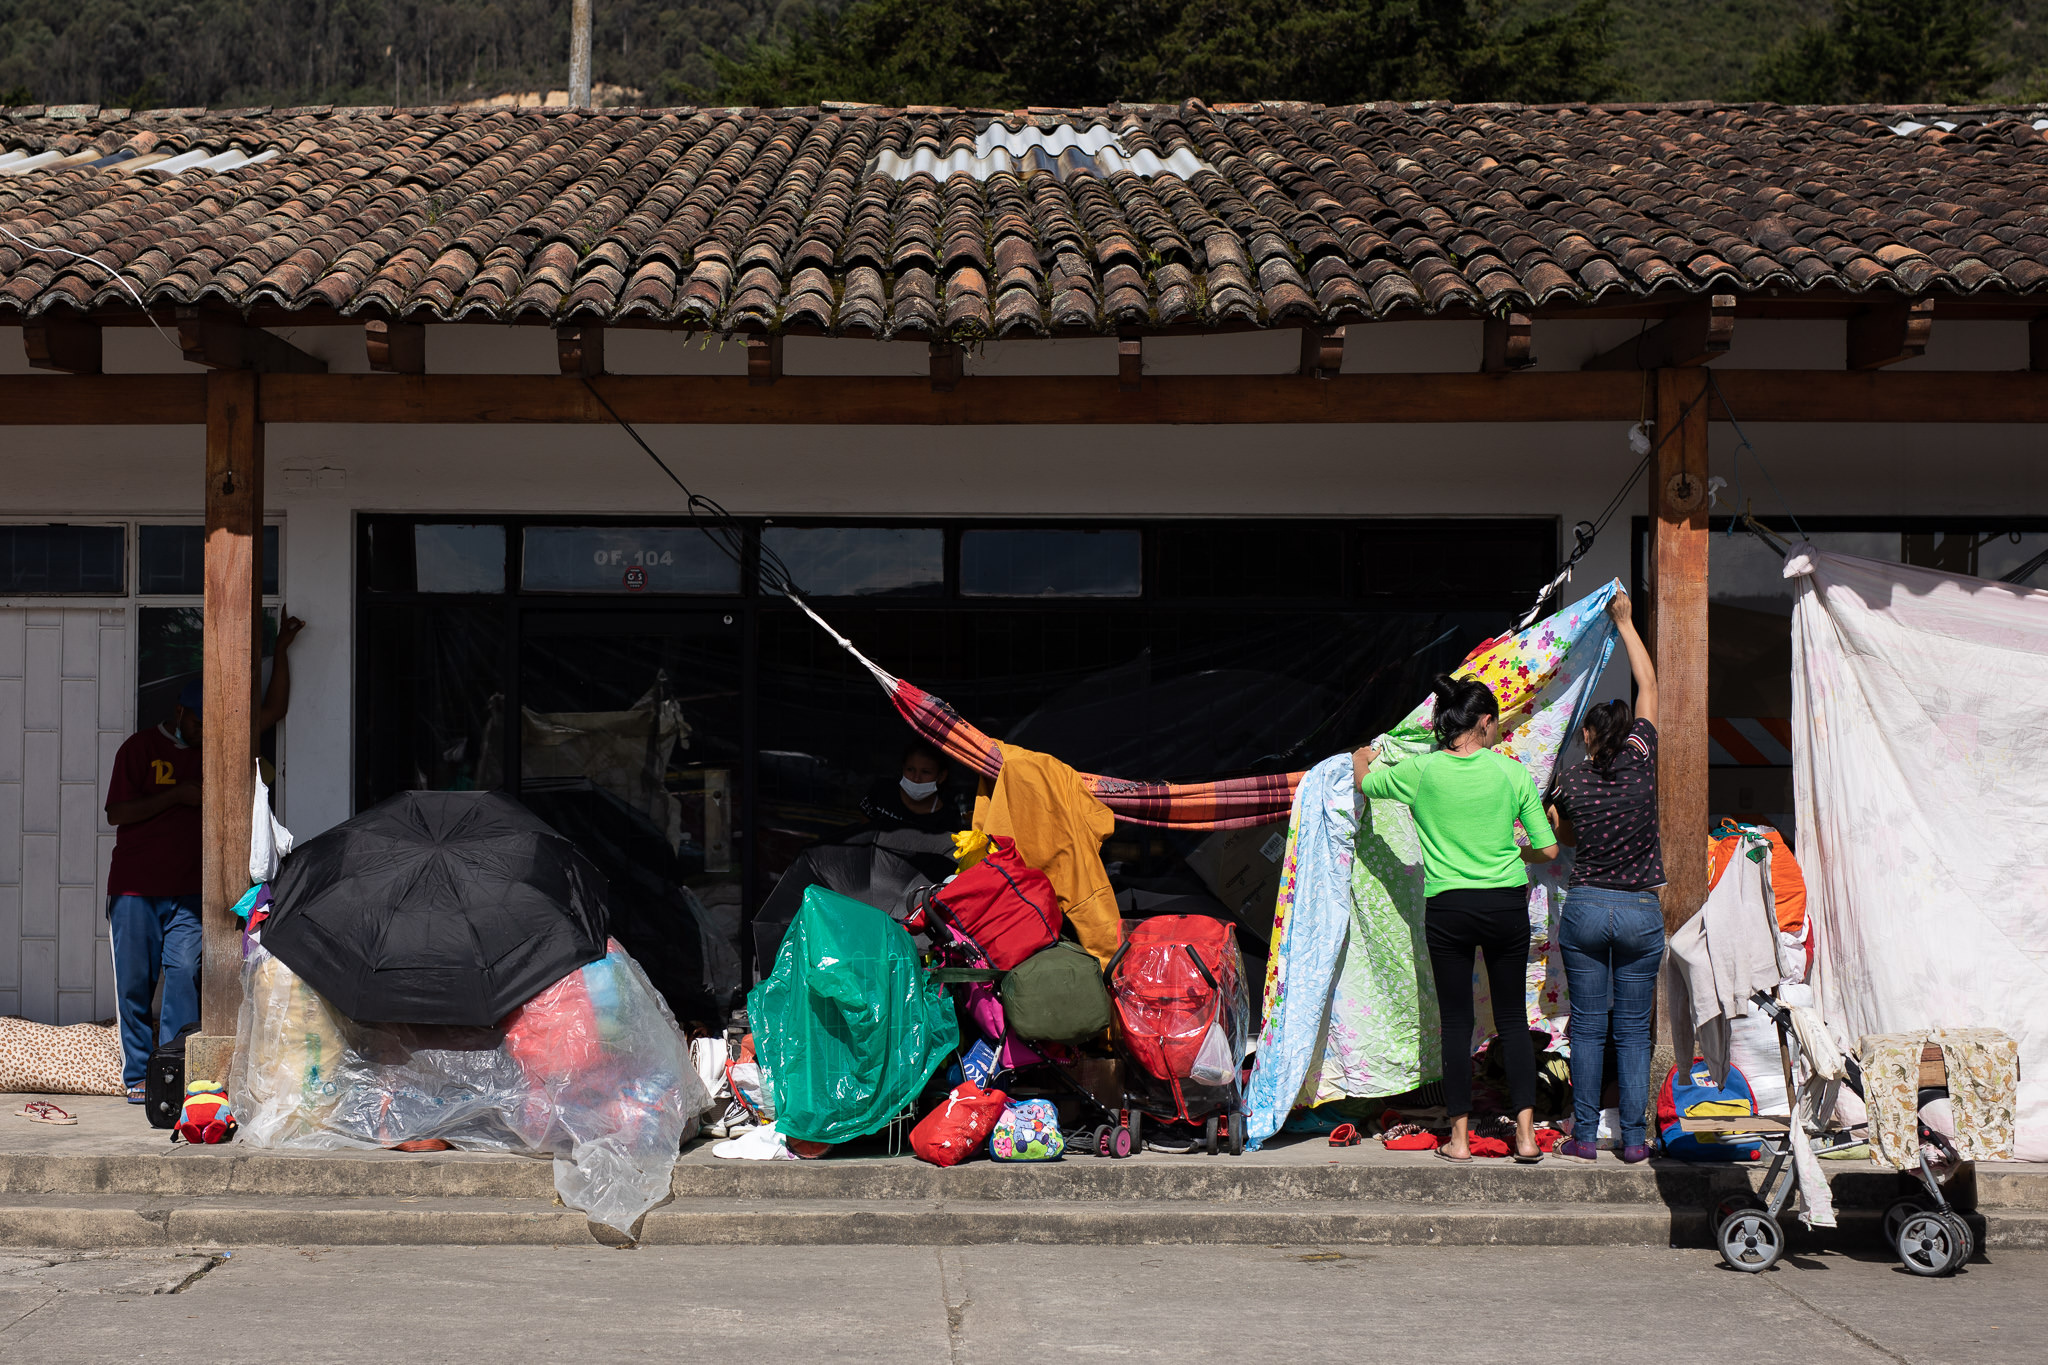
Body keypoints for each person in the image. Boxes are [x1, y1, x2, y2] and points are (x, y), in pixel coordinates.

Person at [1352, 676, 1558, 1163]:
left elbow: (1365, 778)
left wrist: (1365, 751)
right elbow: (1548, 848)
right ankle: (1526, 1138)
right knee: (1512, 1020)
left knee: (1456, 1025)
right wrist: (1509, 852)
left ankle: (1460, 1141)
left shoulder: (1421, 772)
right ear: (1484, 721)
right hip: (1505, 903)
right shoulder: (1513, 774)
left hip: (1449, 908)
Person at [104, 616, 305, 1100]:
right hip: (134, 889)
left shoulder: (222, 744)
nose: (205, 731)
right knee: (134, 987)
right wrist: (177, 796)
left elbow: (274, 708)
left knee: (183, 976)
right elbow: (116, 812)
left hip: (192, 892)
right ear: (178, 712)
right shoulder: (139, 748)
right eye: (198, 721)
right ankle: (136, 1077)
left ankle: (170, 1073)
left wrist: (281, 648)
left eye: (211, 722)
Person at [1546, 591, 1664, 1163]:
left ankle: (1585, 1137)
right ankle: (1636, 1140)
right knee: (1633, 1032)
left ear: (1589, 735)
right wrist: (1625, 622)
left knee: (1588, 1029)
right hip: (1640, 909)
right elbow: (1649, 684)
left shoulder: (1571, 780)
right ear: (1627, 732)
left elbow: (1563, 841)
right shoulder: (1642, 758)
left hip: (1587, 906)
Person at [857, 740, 964, 835]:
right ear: (903, 768)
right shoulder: (882, 791)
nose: (916, 778)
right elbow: (865, 830)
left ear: (941, 776)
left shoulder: (946, 819)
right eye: (910, 769)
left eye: (925, 772)